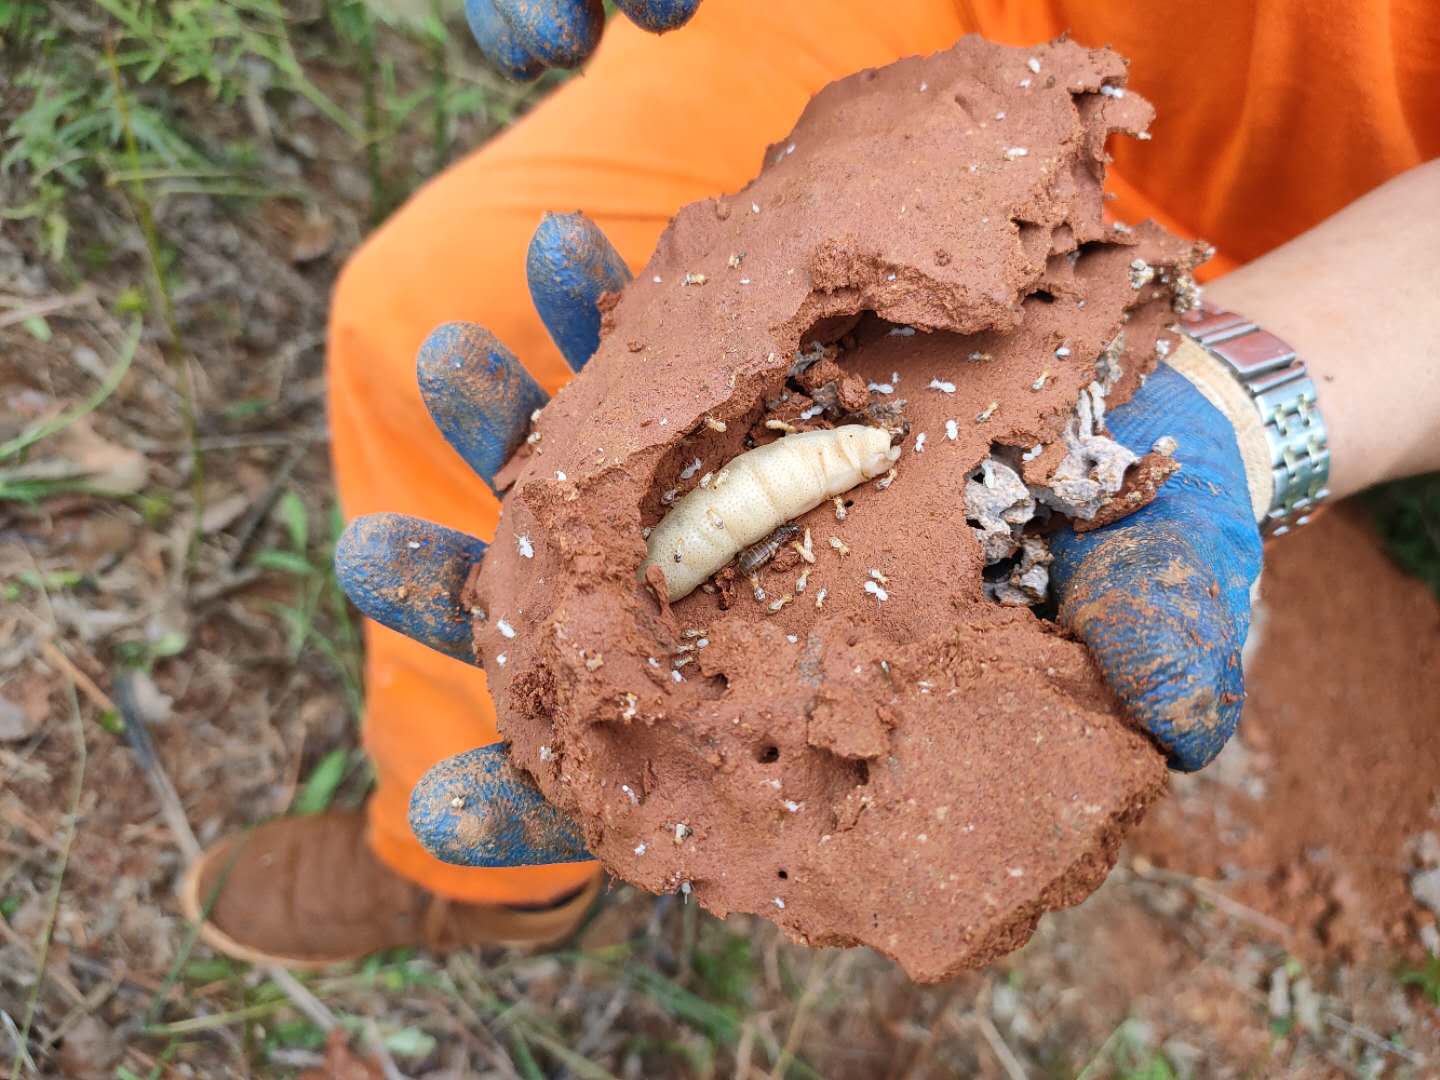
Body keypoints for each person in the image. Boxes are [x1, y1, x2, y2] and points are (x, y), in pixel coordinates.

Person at [179, 0, 1440, 968]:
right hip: (940, 64)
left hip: (1369, 233)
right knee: (427, 318)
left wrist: (1249, 387)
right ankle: (480, 880)